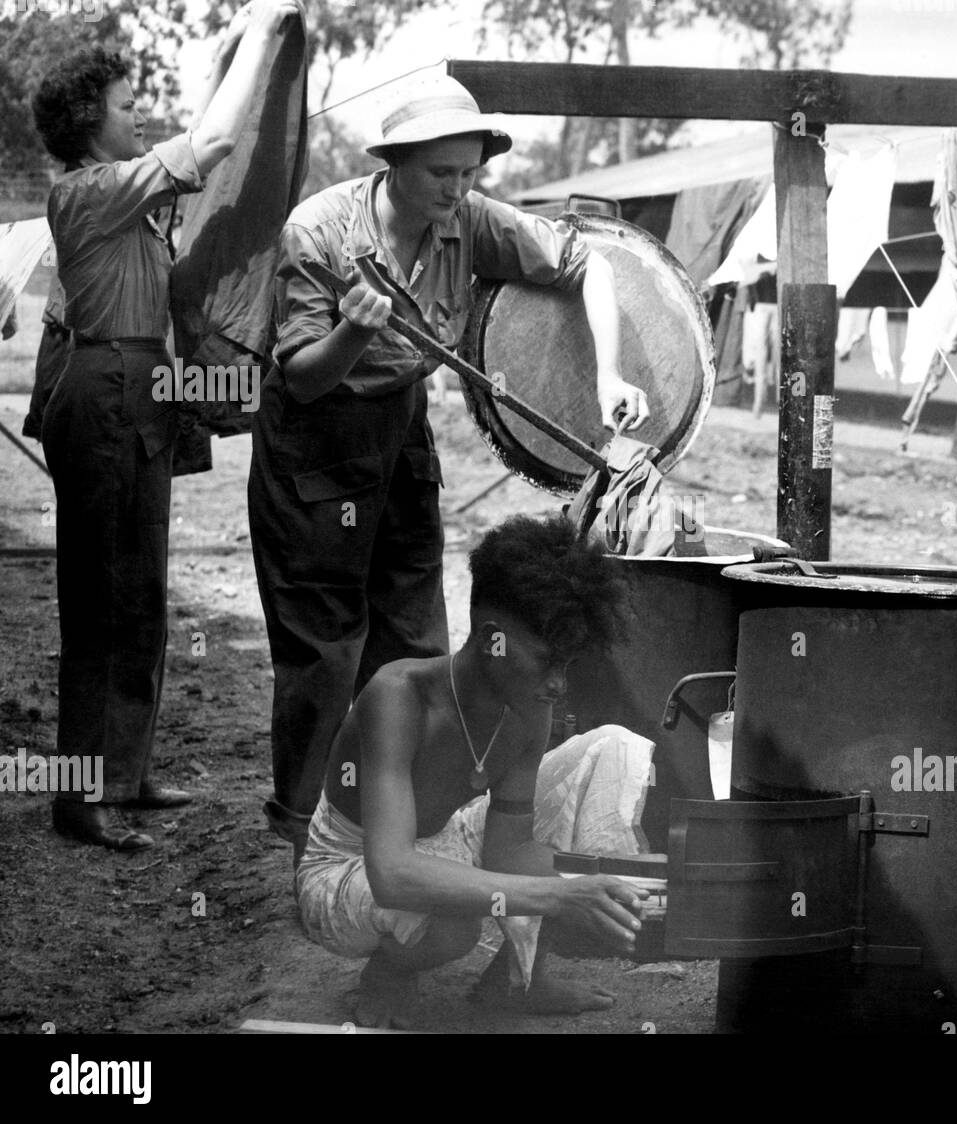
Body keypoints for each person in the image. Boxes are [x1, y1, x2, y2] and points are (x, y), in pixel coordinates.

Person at [249, 73, 651, 861]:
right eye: (442, 173)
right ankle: (302, 828)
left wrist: (609, 376)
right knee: (324, 650)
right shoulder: (318, 232)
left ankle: (411, 815)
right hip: (316, 438)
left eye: (470, 174)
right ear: (395, 163)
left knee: (414, 633)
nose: (458, 189)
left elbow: (587, 265)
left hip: (400, 430)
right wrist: (356, 333)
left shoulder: (467, 219)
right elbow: (301, 375)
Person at [32, 2, 300, 851]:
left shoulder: (130, 204)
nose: (138, 113)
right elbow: (213, 144)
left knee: (140, 592)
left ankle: (125, 774)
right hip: (105, 390)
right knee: (100, 600)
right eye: (123, 104)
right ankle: (78, 797)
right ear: (86, 122)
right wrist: (260, 35)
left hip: (139, 389)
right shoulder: (85, 194)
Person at [296, 514, 655, 1028]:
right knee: (456, 925)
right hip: (351, 866)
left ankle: (515, 977)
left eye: (568, 666)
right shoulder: (398, 697)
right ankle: (390, 968)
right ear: (492, 640)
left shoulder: (530, 709)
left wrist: (624, 879)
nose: (558, 685)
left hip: (445, 841)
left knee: (611, 751)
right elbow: (393, 874)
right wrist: (561, 894)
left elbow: (508, 851)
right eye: (547, 661)